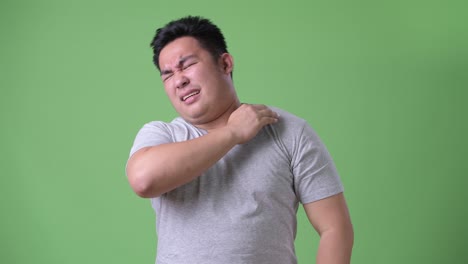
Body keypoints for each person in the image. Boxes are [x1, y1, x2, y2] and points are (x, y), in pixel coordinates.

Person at [126, 16, 354, 264]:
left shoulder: (288, 132)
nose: (179, 80)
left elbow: (335, 229)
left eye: (187, 65)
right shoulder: (162, 135)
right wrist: (233, 133)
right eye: (167, 75)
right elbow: (143, 180)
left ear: (225, 63)